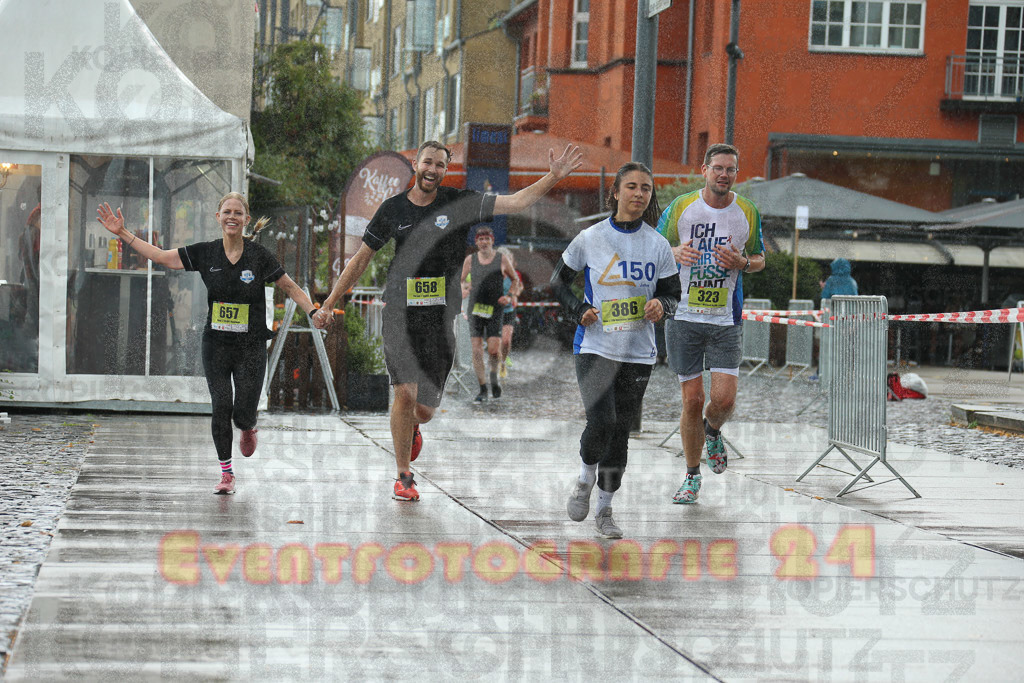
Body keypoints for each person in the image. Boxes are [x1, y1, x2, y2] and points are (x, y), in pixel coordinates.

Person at [315, 140, 582, 502]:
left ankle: (413, 427)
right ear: (416, 165)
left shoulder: (459, 203)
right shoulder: (392, 209)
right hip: (400, 311)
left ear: (445, 170)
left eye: (440, 165)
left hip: (439, 320)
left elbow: (516, 202)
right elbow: (360, 259)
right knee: (404, 392)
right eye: (427, 162)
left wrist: (552, 176)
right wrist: (330, 303)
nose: (432, 170)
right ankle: (403, 477)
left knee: (423, 409)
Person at [97, 193, 320, 495]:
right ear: (218, 217)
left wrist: (313, 311)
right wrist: (123, 233)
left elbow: (290, 287)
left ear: (246, 220)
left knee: (242, 410)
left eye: (238, 213)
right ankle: (226, 473)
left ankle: (248, 425)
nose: (232, 217)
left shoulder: (259, 256)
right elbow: (163, 257)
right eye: (226, 211)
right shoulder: (206, 253)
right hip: (216, 343)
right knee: (221, 405)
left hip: (251, 345)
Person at [552, 162, 680, 538]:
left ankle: (605, 511)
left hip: (638, 351)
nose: (639, 194)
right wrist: (579, 310)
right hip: (594, 345)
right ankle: (583, 479)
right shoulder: (590, 237)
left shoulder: (657, 245)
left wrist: (661, 305)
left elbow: (673, 293)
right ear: (616, 193)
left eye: (646, 188)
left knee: (620, 431)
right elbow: (558, 282)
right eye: (632, 187)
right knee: (602, 421)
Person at [657, 143, 765, 504]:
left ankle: (713, 430)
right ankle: (691, 477)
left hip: (725, 318)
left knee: (723, 398)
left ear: (736, 174)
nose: (723, 174)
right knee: (692, 400)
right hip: (682, 315)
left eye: (730, 169)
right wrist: (673, 252)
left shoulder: (746, 210)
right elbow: (653, 246)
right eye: (717, 168)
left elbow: (761, 258)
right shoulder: (682, 207)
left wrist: (743, 262)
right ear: (704, 170)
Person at [460, 226, 521, 402]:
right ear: (476, 242)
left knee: (494, 350)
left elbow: (515, 280)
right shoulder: (470, 260)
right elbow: (460, 280)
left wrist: (509, 296)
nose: (484, 242)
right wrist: (464, 289)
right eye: (480, 239)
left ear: (492, 240)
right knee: (477, 350)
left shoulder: (501, 259)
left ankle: (494, 377)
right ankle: (482, 388)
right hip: (475, 309)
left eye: (487, 239)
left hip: (495, 309)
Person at [496, 245, 523, 379]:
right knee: (497, 342)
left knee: (506, 341)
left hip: (508, 311)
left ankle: (503, 362)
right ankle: (499, 362)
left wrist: (514, 296)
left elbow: (519, 286)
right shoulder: (493, 274)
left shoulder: (513, 274)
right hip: (494, 312)